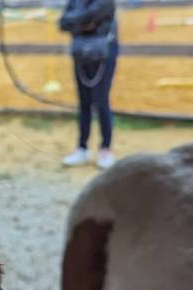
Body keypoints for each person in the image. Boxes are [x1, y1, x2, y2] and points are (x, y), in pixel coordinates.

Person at [59, 0, 119, 169]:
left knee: (101, 101)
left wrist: (76, 22)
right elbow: (63, 23)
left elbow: (92, 14)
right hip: (81, 52)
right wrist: (85, 23)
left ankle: (106, 148)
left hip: (103, 53)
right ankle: (82, 147)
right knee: (84, 102)